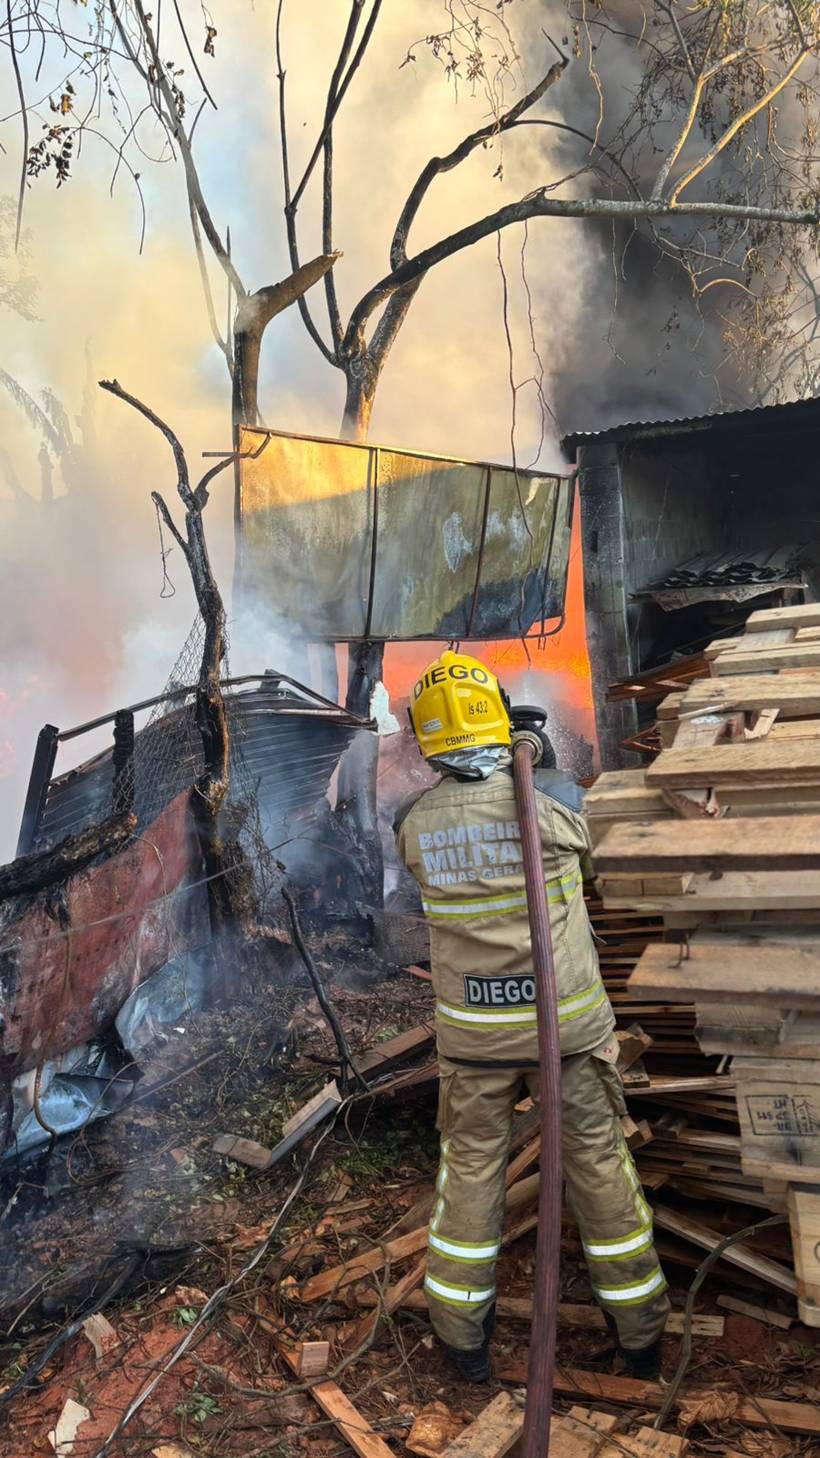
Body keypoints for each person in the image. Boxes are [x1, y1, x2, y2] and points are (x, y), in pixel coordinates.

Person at [394, 650, 669, 1383]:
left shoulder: (412, 824)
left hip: (473, 1041)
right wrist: (536, 756)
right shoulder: (555, 802)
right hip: (567, 1034)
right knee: (599, 1169)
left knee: (472, 1175)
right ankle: (639, 1336)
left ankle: (461, 1338)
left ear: (426, 741)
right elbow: (588, 868)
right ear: (502, 719)